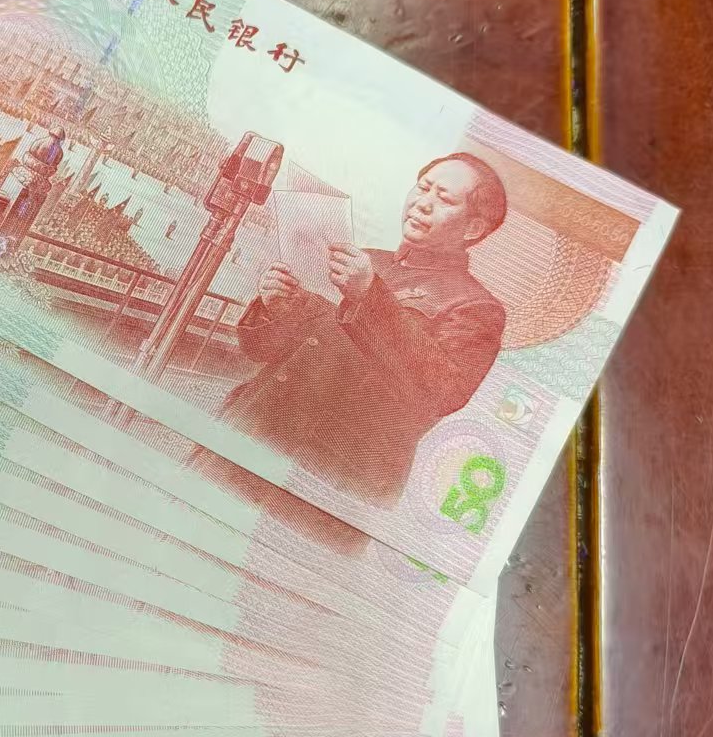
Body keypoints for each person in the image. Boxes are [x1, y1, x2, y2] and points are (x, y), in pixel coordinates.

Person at [205, 154, 508, 525]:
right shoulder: (368, 260)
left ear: (473, 228)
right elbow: (267, 350)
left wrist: (369, 294)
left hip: (324, 479)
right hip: (246, 433)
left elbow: (442, 392)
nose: (423, 203)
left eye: (443, 198)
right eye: (423, 187)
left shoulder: (476, 306)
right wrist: (279, 306)